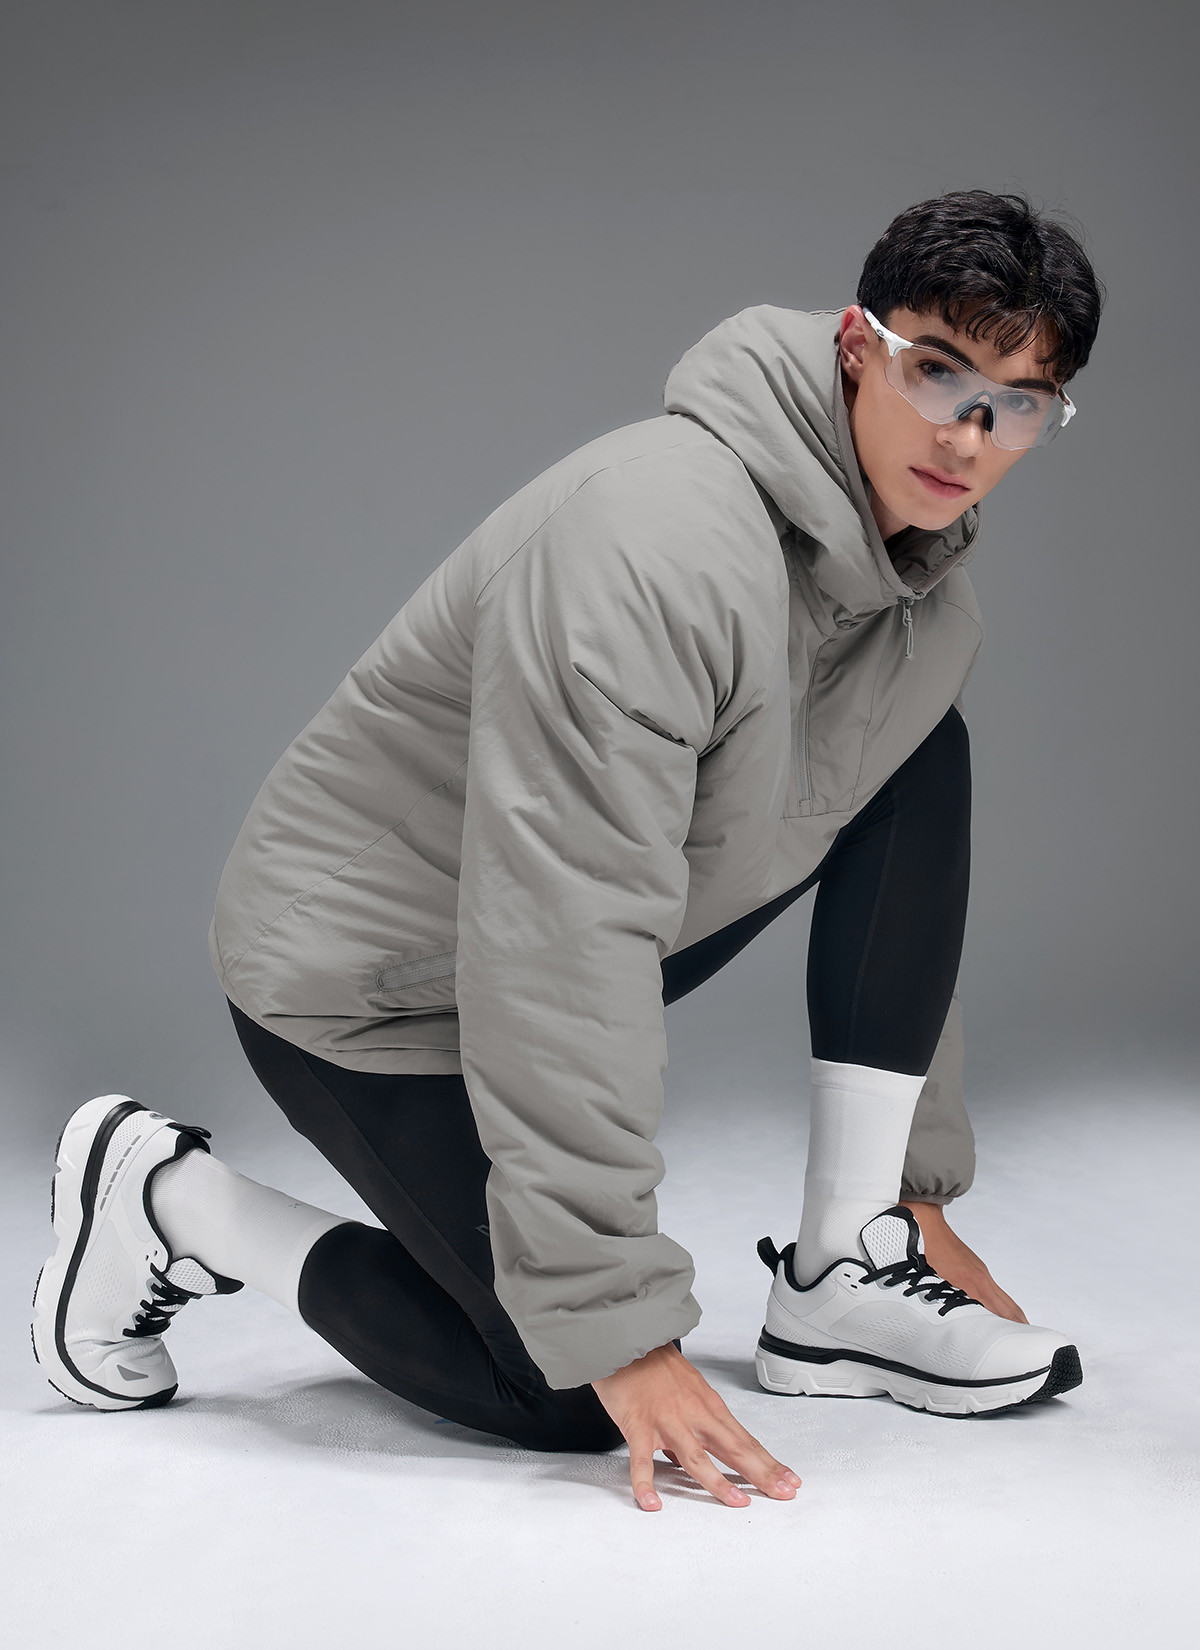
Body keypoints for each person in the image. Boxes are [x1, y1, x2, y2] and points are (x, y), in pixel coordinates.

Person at [32, 190, 1103, 1514]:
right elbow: (564, 928)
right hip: (358, 983)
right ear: (854, 346)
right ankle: (166, 1199)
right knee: (562, 1384)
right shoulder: (652, 540)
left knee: (918, 744)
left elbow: (706, 892)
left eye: (1017, 403)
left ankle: (844, 1266)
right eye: (937, 371)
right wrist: (614, 1318)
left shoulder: (920, 603)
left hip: (538, 933)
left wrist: (912, 1195)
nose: (969, 435)